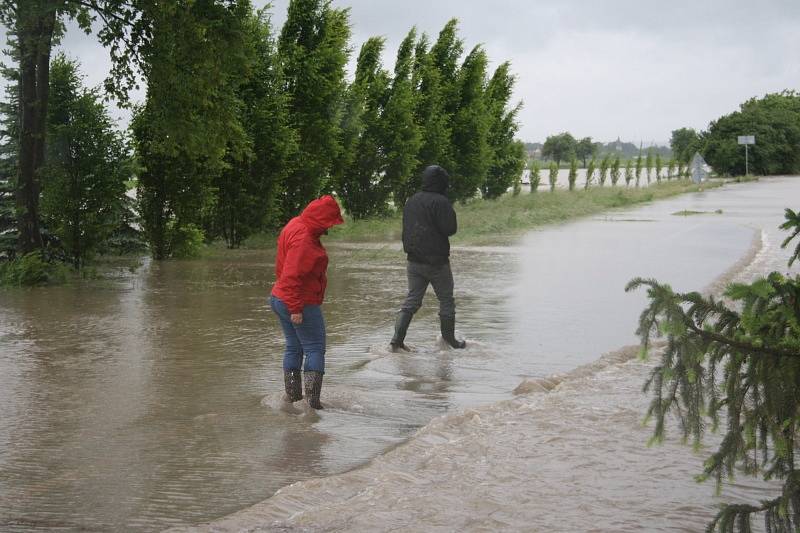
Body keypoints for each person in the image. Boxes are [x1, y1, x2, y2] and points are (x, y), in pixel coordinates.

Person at [270, 195, 343, 409]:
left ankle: (293, 398)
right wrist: (295, 308)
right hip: (298, 301)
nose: (329, 228)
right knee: (315, 349)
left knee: (294, 347)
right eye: (329, 222)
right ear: (321, 220)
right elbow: (291, 275)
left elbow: (283, 270)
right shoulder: (305, 242)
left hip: (279, 297)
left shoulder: (295, 224)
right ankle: (312, 404)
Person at [390, 165, 466, 351]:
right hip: (437, 262)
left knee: (412, 300)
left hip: (413, 261)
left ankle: (396, 341)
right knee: (446, 300)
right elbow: (450, 229)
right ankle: (450, 341)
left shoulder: (412, 200)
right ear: (442, 182)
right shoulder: (441, 202)